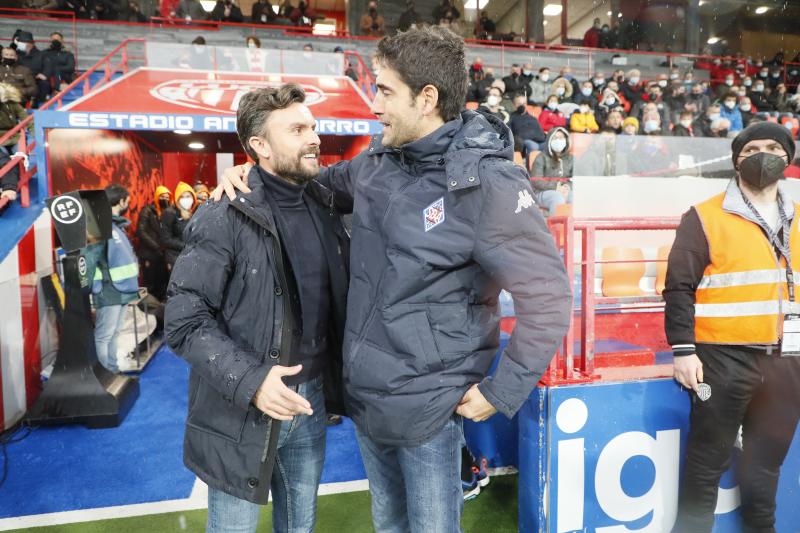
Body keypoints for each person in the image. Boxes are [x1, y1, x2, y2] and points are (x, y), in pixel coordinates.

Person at [215, 27, 571, 533]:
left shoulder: (487, 184)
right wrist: (251, 174)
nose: (374, 105)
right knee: (390, 526)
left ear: (427, 99)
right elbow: (311, 184)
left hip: (431, 409)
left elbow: (551, 298)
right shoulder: (376, 165)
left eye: (384, 91)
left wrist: (500, 391)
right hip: (369, 402)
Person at [165, 84, 349, 533]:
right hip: (240, 411)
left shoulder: (325, 203)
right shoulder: (221, 215)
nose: (314, 137)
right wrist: (251, 382)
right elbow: (184, 321)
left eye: (313, 126)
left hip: (309, 405)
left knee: (299, 527)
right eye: (298, 129)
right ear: (260, 147)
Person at [664, 122, 800, 533]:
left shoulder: (796, 216)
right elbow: (678, 287)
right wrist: (684, 350)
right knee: (707, 462)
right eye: (751, 148)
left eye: (773, 147)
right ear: (736, 160)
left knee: (767, 462)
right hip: (721, 359)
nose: (762, 155)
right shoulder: (703, 216)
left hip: (787, 359)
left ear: (788, 158)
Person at [85, 184, 140, 374]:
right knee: (103, 336)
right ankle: (102, 375)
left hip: (121, 290)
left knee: (114, 333)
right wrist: (90, 289)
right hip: (109, 290)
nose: (129, 203)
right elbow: (90, 258)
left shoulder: (115, 225)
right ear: (121, 200)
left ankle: (112, 371)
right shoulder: (100, 225)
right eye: (128, 199)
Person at [0, 83, 31, 208]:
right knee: (6, 160)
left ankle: (10, 186)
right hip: (1, 138)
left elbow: (27, 120)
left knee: (19, 157)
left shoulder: (13, 105)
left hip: (14, 136)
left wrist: (37, 135)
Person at [530, 126, 573, 216]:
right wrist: (556, 187)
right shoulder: (541, 157)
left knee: (574, 197)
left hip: (563, 190)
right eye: (555, 138)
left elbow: (573, 178)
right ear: (549, 140)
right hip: (542, 192)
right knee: (557, 198)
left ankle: (574, 228)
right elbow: (536, 181)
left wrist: (567, 187)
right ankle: (556, 228)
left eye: (561, 138)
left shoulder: (570, 158)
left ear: (566, 140)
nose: (558, 140)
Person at [136, 185, 169, 301]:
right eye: (162, 196)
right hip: (149, 253)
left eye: (167, 196)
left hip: (162, 254)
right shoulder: (148, 211)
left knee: (162, 281)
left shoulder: (167, 211)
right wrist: (155, 246)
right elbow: (141, 231)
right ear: (156, 197)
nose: (165, 199)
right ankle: (150, 310)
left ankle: (160, 311)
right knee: (150, 283)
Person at [160, 181, 196, 271]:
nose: (185, 199)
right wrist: (186, 246)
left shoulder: (194, 212)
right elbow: (166, 239)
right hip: (175, 258)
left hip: (191, 256)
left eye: (188, 196)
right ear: (177, 199)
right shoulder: (169, 212)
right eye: (182, 197)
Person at [14, 31, 49, 107]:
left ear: (30, 43)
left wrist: (43, 75)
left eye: (21, 42)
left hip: (36, 81)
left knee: (44, 84)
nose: (19, 44)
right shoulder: (15, 54)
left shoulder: (41, 55)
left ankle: (38, 106)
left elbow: (47, 69)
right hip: (20, 80)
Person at [509, 92, 545, 167]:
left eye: (524, 103)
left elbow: (541, 132)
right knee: (532, 145)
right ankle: (532, 170)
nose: (522, 105)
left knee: (549, 145)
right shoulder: (511, 117)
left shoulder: (532, 118)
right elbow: (510, 132)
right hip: (525, 141)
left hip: (539, 140)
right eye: (519, 103)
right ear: (514, 105)